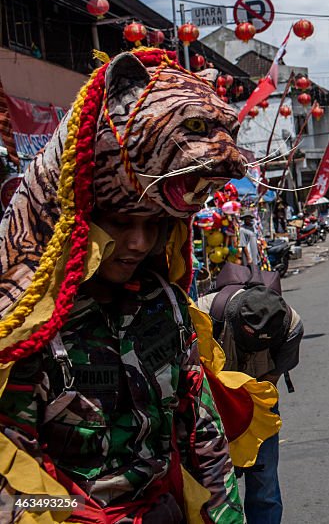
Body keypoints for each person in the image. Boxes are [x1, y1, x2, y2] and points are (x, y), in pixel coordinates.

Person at [0, 48, 258, 521]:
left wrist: (226, 516)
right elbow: (11, 476)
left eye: (154, 225)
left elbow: (200, 432)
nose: (139, 243)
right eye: (121, 223)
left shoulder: (166, 307)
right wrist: (74, 513)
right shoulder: (33, 332)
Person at [195, 264, 303, 524]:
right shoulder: (206, 311)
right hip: (208, 401)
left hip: (257, 399)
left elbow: (270, 381)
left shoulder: (291, 327)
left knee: (263, 481)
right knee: (208, 482)